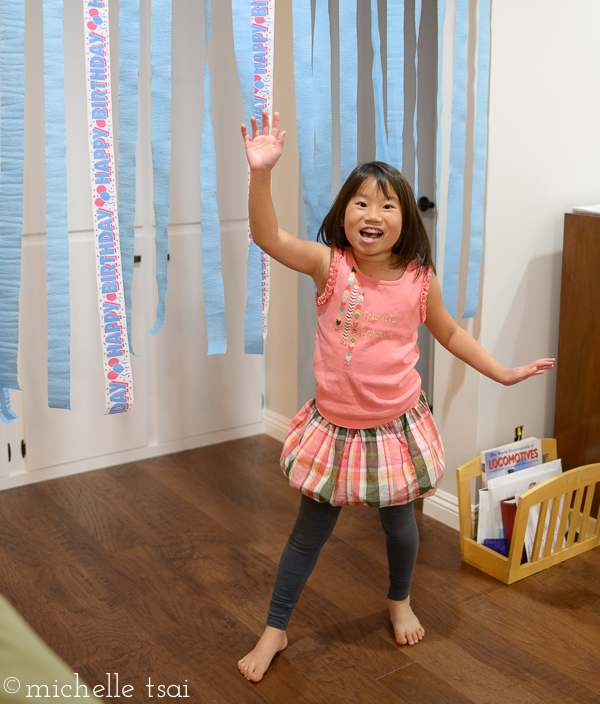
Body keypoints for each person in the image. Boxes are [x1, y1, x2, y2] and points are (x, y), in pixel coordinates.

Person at [237, 111, 555, 683]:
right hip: (337, 429)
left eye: (387, 205)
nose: (373, 213)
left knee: (401, 525)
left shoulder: (419, 278)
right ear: (343, 214)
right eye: (361, 202)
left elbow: (451, 333)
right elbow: (267, 236)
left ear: (405, 220)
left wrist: (501, 374)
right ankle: (276, 627)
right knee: (307, 535)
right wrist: (261, 175)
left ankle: (399, 597)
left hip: (396, 427)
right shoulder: (328, 266)